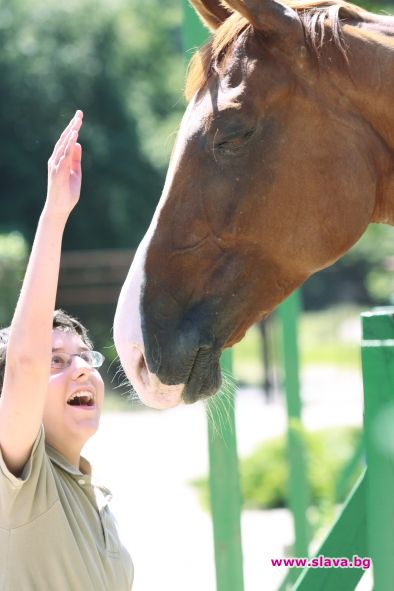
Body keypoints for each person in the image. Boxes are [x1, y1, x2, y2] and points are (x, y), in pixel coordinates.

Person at [0, 111, 134, 590]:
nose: (80, 369)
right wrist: (54, 214)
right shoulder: (19, 486)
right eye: (57, 361)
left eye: (84, 355)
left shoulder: (94, 493)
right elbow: (24, 361)